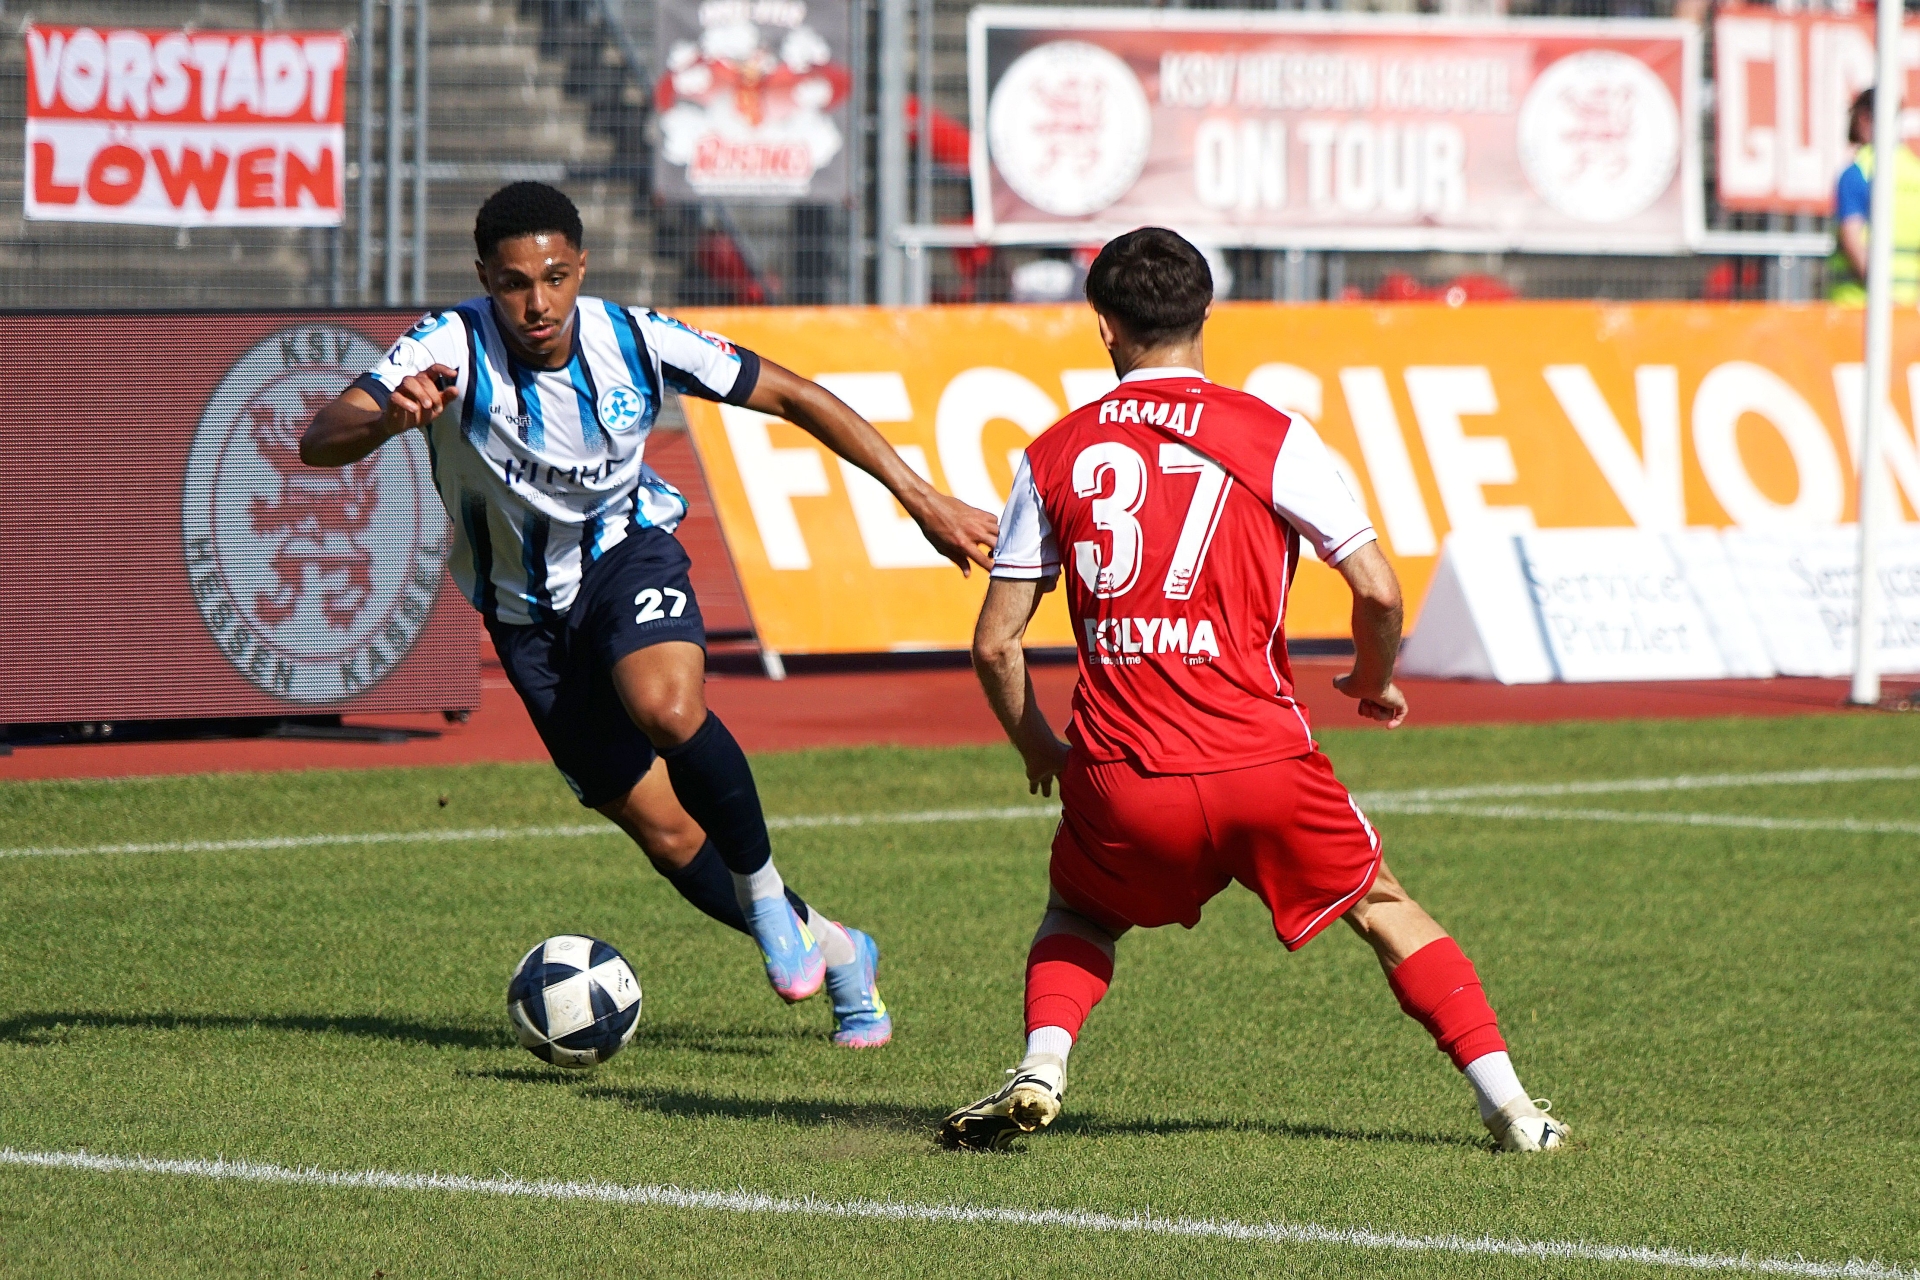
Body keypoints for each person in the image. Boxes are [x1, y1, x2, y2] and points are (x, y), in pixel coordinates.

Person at [303, 182, 998, 1047]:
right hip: (525, 617)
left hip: (628, 557)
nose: (537, 302)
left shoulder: (636, 338)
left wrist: (922, 498)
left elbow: (795, 396)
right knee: (668, 837)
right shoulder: (448, 346)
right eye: (514, 282)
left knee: (666, 708)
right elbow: (320, 437)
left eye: (555, 277)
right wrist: (387, 418)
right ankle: (840, 947)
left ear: (581, 267)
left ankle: (766, 898)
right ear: (484, 278)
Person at [939, 227, 1568, 1152]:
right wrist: (1373, 680)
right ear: (1206, 315)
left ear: (1104, 326)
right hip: (1264, 764)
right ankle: (1513, 1109)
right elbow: (1378, 590)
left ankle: (1042, 1064)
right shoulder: (1274, 435)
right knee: (1382, 906)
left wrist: (1038, 745)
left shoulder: (1052, 454)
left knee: (1080, 911)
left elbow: (996, 644)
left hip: (1127, 779)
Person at [1829, 88, 1920, 306]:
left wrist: (1883, 299)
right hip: (1909, 309)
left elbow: (1852, 240)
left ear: (1863, 118)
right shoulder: (1915, 171)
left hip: (1859, 305)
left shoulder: (1858, 171)